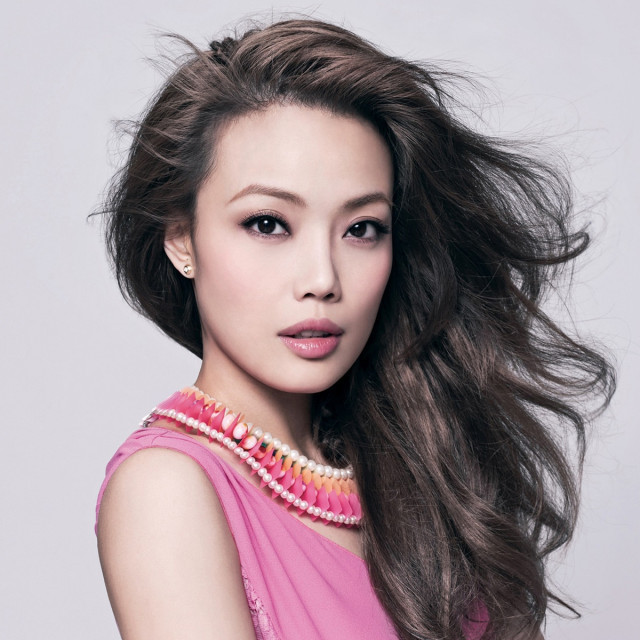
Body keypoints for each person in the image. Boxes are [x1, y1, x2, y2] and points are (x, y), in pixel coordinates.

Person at [94, 18, 615, 640]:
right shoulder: (167, 489)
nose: (322, 279)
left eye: (361, 229)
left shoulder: (417, 464)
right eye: (268, 224)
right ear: (182, 238)